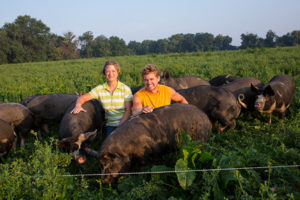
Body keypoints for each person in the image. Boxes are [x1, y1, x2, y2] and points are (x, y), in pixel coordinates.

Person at [71, 60, 133, 136]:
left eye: (113, 71)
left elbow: (128, 111)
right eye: (108, 71)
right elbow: (82, 98)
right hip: (110, 125)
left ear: (118, 72)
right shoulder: (100, 89)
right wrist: (78, 105)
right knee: (109, 146)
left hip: (125, 124)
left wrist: (119, 126)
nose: (110, 74)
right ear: (104, 73)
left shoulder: (125, 89)